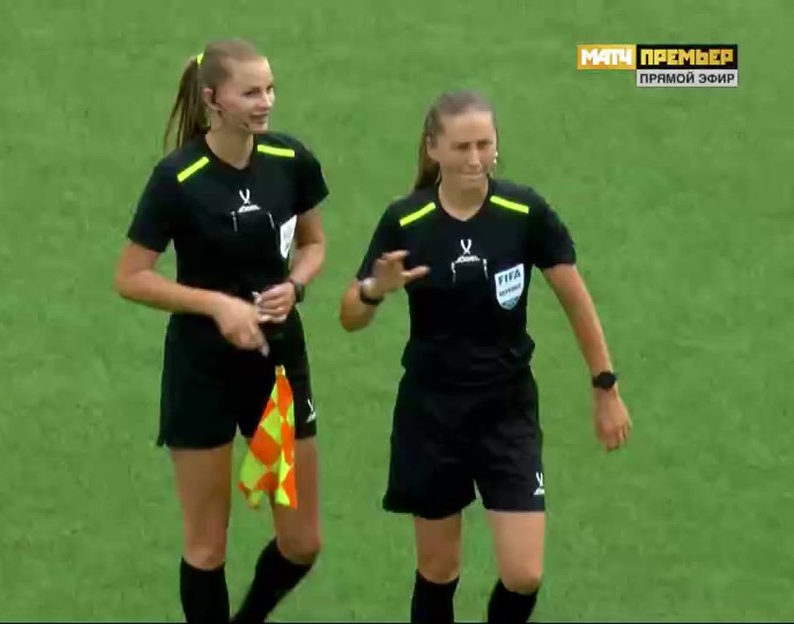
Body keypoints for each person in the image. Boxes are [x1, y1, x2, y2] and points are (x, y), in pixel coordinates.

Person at [338, 89, 632, 623]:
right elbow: (350, 315)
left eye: (484, 145)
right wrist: (375, 290)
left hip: (506, 411)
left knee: (524, 574)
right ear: (433, 148)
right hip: (431, 413)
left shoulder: (524, 212)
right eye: (461, 147)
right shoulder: (406, 220)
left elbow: (576, 300)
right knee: (438, 568)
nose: (475, 159)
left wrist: (605, 385)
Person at [113, 38, 330, 623]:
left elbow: (314, 243)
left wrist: (297, 285)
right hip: (202, 372)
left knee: (302, 541)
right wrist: (216, 306)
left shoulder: (290, 160)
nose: (266, 102)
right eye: (251, 92)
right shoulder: (177, 178)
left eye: (270, 89)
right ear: (212, 99)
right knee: (207, 545)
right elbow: (131, 277)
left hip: (278, 370)